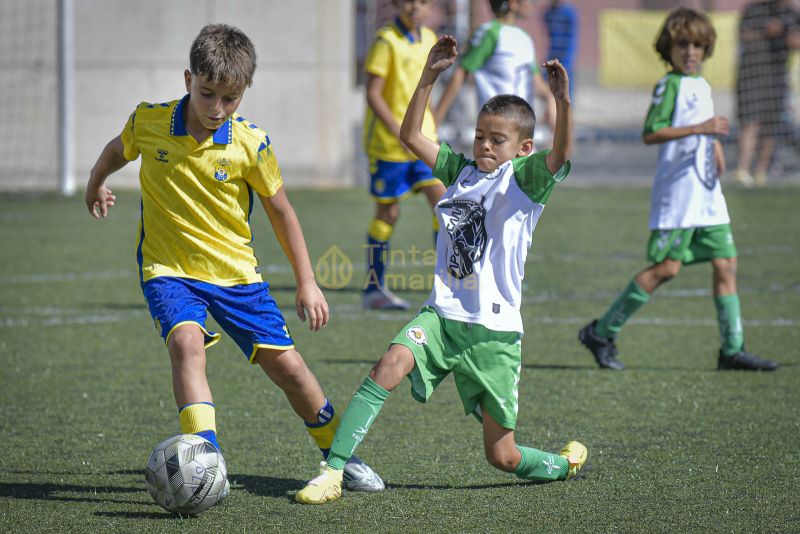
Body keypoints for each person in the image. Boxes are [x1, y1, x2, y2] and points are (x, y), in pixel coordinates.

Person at [84, 24, 384, 497]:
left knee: (289, 370)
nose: (216, 108)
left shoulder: (251, 144)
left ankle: (339, 455)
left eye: (230, 98)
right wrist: (95, 181)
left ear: (244, 92)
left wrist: (307, 281)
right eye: (207, 94)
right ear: (188, 79)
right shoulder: (149, 120)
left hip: (236, 274)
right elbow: (117, 150)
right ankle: (207, 462)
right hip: (169, 270)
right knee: (187, 345)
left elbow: (282, 213)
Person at [295, 35, 586, 505]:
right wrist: (428, 77)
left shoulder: (525, 181)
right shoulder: (461, 171)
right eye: (480, 135)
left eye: (497, 139)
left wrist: (562, 102)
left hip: (493, 334)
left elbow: (561, 154)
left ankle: (561, 464)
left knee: (503, 456)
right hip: (442, 317)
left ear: (523, 147)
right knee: (388, 365)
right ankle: (333, 471)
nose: (485, 144)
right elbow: (410, 136)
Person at [578, 8, 779, 372]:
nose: (690, 52)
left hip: (708, 194)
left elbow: (704, 127)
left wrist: (714, 145)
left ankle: (732, 350)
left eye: (697, 45)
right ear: (668, 48)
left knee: (726, 263)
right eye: (683, 44)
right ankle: (602, 332)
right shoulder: (669, 85)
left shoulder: (701, 84)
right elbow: (651, 132)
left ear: (707, 49)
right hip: (680, 196)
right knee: (667, 269)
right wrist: (701, 129)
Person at [362, 0, 447, 311]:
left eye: (422, 2)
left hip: (423, 141)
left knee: (445, 205)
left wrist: (432, 124)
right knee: (388, 214)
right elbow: (373, 93)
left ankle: (447, 285)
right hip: (390, 146)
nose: (415, 7)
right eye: (409, 1)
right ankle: (374, 289)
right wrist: (400, 131)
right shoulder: (386, 40)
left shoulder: (430, 39)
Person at [434, 0, 556, 139]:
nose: (533, 3)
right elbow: (460, 73)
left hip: (522, 133)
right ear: (513, 3)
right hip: (496, 136)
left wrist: (550, 98)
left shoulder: (525, 37)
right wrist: (436, 120)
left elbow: (535, 80)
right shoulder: (489, 33)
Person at [734, 0, 800, 187]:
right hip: (751, 75)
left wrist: (784, 33)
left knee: (771, 125)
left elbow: (796, 41)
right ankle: (742, 170)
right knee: (750, 123)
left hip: (777, 77)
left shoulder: (791, 14)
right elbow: (743, 35)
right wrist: (766, 31)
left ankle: (761, 171)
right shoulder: (754, 10)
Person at [543, 0, 579, 100]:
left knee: (566, 85)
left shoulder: (569, 13)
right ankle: (550, 104)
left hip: (566, 55)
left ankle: (568, 106)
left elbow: (571, 37)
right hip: (553, 52)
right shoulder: (548, 13)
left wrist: (567, 55)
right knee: (547, 82)